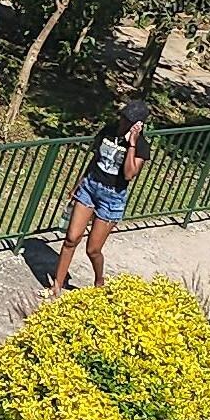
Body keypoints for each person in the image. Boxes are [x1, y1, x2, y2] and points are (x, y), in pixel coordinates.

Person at [50, 96, 149, 292]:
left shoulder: (141, 146)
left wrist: (131, 144)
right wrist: (78, 184)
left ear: (138, 125)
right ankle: (57, 285)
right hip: (90, 187)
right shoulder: (108, 131)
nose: (123, 122)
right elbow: (95, 160)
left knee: (93, 249)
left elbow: (129, 174)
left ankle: (99, 280)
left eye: (129, 121)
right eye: (123, 117)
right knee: (71, 238)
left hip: (112, 197)